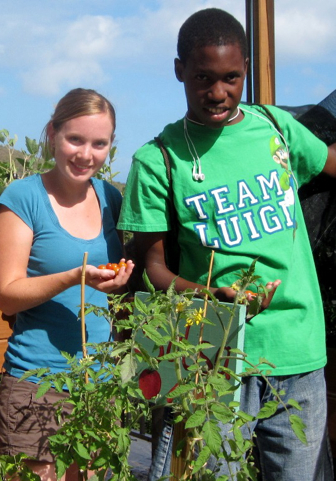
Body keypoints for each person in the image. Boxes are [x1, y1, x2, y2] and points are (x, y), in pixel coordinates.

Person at [119, 7, 336, 481]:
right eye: (202, 77)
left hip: (298, 348)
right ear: (179, 70)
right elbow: (152, 270)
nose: (218, 92)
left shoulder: (276, 128)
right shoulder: (158, 160)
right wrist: (214, 297)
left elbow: (330, 163)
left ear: (244, 72)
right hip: (211, 354)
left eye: (231, 78)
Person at [0, 88, 135, 481]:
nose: (86, 154)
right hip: (37, 383)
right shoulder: (22, 199)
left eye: (99, 144)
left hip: (100, 384)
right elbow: (7, 296)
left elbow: (112, 285)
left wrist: (117, 282)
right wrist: (75, 276)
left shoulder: (111, 198)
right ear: (53, 133)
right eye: (75, 139)